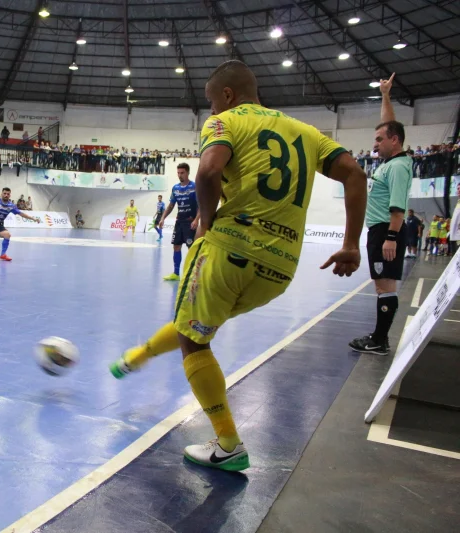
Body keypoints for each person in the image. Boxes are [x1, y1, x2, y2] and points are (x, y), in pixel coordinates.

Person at [108, 60, 367, 472]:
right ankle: (137, 356)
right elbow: (354, 174)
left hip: (228, 251)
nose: (212, 111)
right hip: (279, 269)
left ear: (227, 95)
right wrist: (351, 243)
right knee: (197, 322)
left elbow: (208, 172)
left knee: (195, 340)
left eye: (212, 102)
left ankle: (228, 442)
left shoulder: (225, 122)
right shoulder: (308, 133)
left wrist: (206, 222)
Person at [349, 73, 414, 356]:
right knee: (382, 286)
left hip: (385, 230)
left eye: (379, 139)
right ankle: (380, 337)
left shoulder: (398, 167)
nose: (375, 144)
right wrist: (386, 95)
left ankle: (379, 340)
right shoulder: (392, 160)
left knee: (384, 287)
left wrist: (390, 236)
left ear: (394, 141)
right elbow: (389, 125)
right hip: (379, 230)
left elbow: (398, 206)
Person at [158, 163, 200, 280]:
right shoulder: (175, 188)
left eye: (182, 173)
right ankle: (176, 274)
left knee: (191, 248)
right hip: (179, 222)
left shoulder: (194, 187)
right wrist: (162, 218)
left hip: (190, 222)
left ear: (187, 173)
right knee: (176, 247)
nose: (179, 175)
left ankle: (192, 274)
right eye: (178, 173)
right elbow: (171, 205)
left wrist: (197, 220)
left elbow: (200, 206)